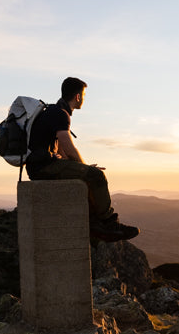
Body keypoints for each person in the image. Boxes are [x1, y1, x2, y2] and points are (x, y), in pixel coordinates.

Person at [26, 77, 140, 242]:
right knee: (97, 176)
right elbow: (69, 147)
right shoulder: (60, 114)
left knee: (87, 175)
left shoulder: (52, 111)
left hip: (40, 166)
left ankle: (94, 224)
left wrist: (82, 168)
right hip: (44, 167)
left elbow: (62, 152)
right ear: (78, 96)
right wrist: (86, 168)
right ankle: (109, 223)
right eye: (84, 95)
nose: (84, 99)